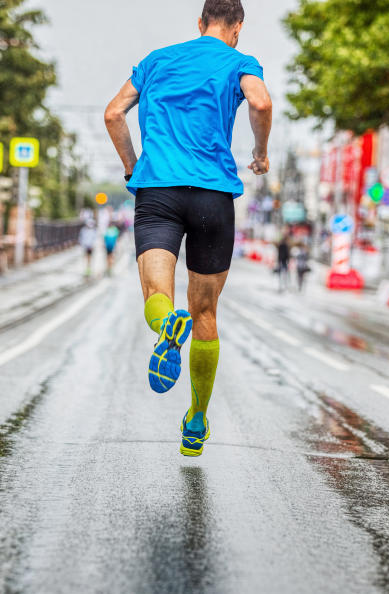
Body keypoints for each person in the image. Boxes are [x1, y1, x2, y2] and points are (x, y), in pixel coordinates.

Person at [105, 0, 271, 456]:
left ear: (200, 24)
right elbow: (260, 101)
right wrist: (260, 152)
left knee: (158, 296)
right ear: (237, 27)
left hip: (157, 191)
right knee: (206, 315)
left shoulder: (157, 60)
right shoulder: (241, 61)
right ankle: (196, 420)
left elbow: (113, 114)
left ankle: (165, 328)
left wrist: (131, 166)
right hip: (213, 197)